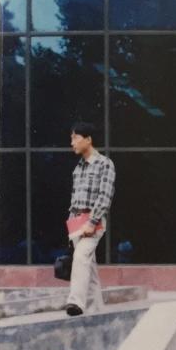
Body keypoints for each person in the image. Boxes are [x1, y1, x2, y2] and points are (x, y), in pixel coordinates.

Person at [64, 121, 115, 317]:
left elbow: (105, 196)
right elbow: (74, 199)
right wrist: (72, 227)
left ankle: (75, 302)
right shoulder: (78, 169)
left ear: (88, 139)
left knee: (81, 258)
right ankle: (98, 310)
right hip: (76, 224)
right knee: (88, 266)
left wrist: (92, 222)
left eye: (75, 138)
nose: (72, 143)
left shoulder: (104, 164)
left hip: (93, 222)